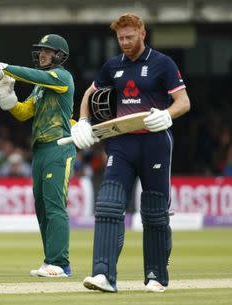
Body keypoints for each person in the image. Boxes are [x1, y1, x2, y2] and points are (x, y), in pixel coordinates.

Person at [70, 13, 191, 292]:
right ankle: (103, 275)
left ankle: (156, 276)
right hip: (121, 143)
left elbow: (183, 101)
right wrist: (84, 121)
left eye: (129, 37)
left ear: (142, 33)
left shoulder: (163, 63)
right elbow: (91, 93)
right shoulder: (113, 66)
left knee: (154, 213)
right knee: (108, 206)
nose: (124, 42)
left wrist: (168, 115)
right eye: (120, 38)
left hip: (155, 143)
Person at [0, 34, 76, 277]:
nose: (42, 54)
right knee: (43, 207)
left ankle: (61, 263)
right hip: (41, 150)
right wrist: (8, 99)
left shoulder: (61, 77)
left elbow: (34, 75)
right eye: (41, 51)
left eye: (47, 51)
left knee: (55, 206)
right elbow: (24, 113)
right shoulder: (41, 86)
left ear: (60, 55)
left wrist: (1, 67)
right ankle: (51, 260)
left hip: (59, 146)